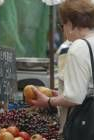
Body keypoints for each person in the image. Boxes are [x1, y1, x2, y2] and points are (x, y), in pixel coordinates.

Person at [30, 0, 94, 137]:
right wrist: (61, 93)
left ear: (70, 23)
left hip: (85, 126)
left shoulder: (79, 47)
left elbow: (75, 97)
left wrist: (48, 101)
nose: (63, 30)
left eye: (62, 25)